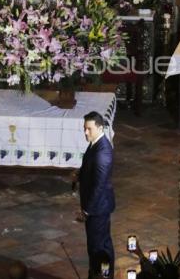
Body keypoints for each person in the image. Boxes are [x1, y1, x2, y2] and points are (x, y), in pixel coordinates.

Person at [78, 111, 115, 279]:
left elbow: (98, 185)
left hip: (98, 208)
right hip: (96, 207)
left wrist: (87, 211)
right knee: (97, 244)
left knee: (98, 247)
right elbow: (89, 168)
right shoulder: (95, 142)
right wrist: (78, 175)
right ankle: (99, 274)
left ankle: (102, 275)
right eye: (85, 128)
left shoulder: (103, 152)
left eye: (89, 129)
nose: (86, 132)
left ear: (100, 128)